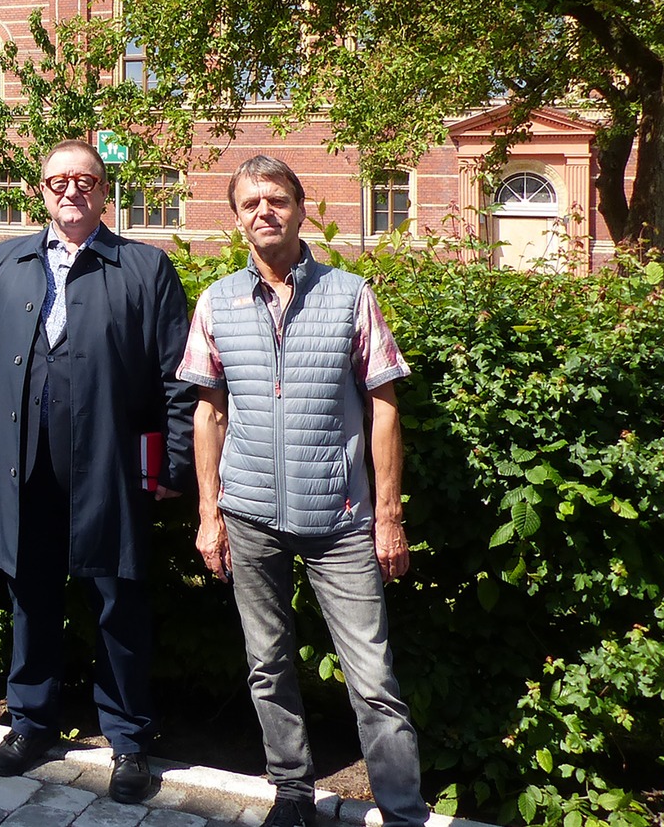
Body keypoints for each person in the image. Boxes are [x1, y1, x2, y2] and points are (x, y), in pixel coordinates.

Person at [180, 154, 427, 827]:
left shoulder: (350, 294)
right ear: (236, 218)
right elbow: (208, 413)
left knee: (373, 679)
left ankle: (403, 811)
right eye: (251, 203)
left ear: (300, 208)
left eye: (277, 199)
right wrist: (209, 514)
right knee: (267, 664)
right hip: (249, 515)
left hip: (340, 519)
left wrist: (388, 516)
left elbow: (384, 407)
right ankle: (291, 791)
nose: (265, 211)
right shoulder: (216, 301)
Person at [0, 139, 195, 804]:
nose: (70, 191)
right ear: (41, 191)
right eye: (57, 180)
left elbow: (178, 377)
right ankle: (30, 722)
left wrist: (175, 461)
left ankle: (130, 738)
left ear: (104, 191)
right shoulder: (6, 261)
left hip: (110, 468)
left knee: (118, 599)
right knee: (29, 596)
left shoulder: (145, 267)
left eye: (84, 180)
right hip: (22, 464)